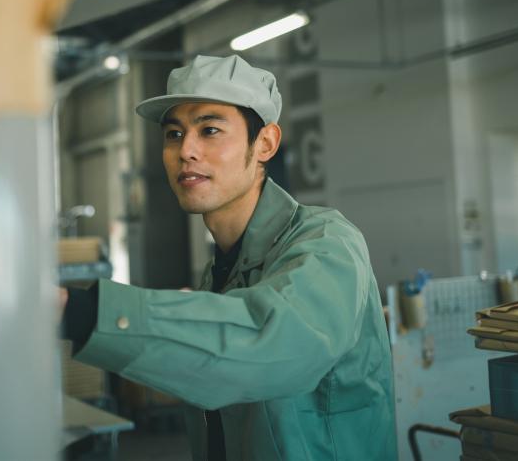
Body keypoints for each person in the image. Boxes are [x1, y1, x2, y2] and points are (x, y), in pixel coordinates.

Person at [61, 54, 396, 460]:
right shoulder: (220, 273)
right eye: (173, 134)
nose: (186, 150)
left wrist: (78, 311)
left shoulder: (328, 243)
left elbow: (270, 344)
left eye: (210, 130)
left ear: (266, 144)